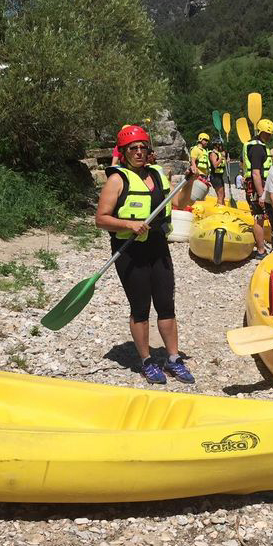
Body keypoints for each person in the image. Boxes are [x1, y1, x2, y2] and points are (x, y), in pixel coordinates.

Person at [95, 125, 198, 385]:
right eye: (133, 148)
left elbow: (181, 203)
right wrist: (128, 225)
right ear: (124, 152)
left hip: (158, 248)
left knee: (166, 305)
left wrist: (190, 181)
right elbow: (101, 219)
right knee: (140, 308)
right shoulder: (116, 180)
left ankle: (173, 358)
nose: (139, 152)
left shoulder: (158, 175)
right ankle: (147, 361)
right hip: (130, 251)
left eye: (143, 147)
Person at [243, 118, 273, 259]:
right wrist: (261, 194)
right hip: (256, 187)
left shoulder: (256, 145)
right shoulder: (257, 148)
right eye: (266, 134)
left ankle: (264, 247)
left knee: (261, 216)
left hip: (258, 185)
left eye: (270, 134)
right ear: (260, 132)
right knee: (259, 217)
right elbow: (256, 173)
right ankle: (261, 251)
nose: (269, 136)